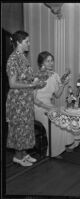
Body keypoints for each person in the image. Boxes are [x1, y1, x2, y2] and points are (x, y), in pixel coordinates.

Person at [6, 30, 45, 167]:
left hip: (25, 99)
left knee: (26, 127)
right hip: (17, 101)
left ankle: (24, 154)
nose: (29, 44)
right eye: (26, 41)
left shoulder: (23, 57)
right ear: (18, 42)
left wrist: (37, 81)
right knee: (19, 128)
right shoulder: (13, 59)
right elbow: (12, 83)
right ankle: (18, 156)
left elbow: (27, 77)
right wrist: (31, 84)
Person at [34, 51, 80, 157]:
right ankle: (54, 152)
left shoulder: (55, 76)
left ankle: (68, 143)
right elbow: (34, 100)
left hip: (49, 106)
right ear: (41, 63)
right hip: (38, 107)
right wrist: (49, 107)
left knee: (65, 116)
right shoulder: (37, 76)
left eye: (52, 60)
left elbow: (57, 95)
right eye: (48, 61)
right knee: (55, 122)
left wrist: (63, 85)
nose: (51, 63)